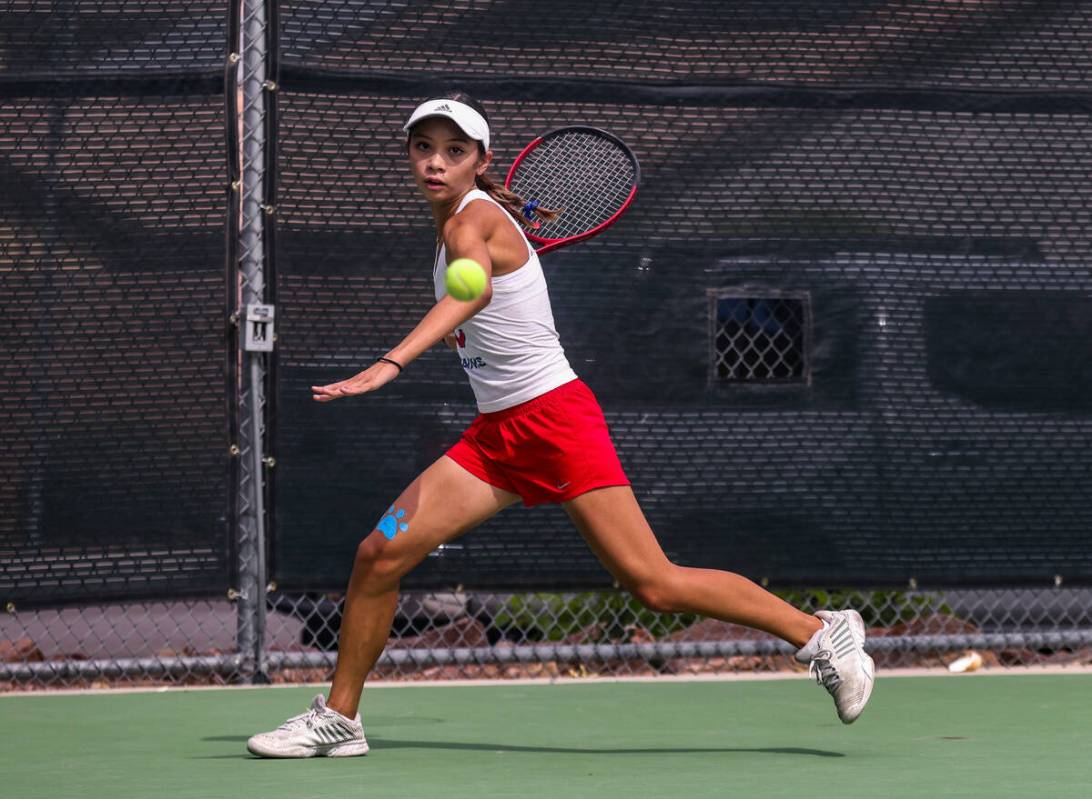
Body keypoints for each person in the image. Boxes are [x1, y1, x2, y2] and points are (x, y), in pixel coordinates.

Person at [246, 93, 875, 759]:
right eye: (424, 147)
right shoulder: (463, 219)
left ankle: (818, 632)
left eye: (454, 150)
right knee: (380, 553)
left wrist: (391, 361)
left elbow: (472, 291)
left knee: (654, 583)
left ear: (480, 161)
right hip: (496, 437)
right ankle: (340, 718)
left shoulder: (473, 222)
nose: (435, 161)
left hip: (554, 422)